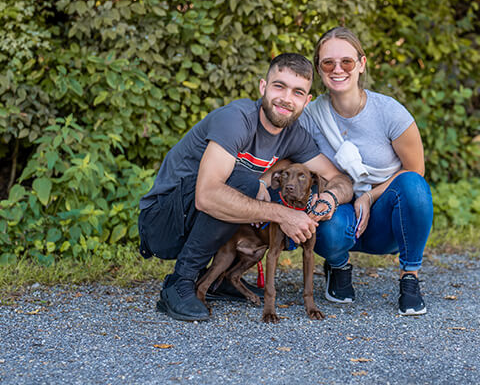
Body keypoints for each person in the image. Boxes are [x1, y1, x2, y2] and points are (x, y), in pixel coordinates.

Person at [138, 53, 353, 322]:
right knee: (246, 184)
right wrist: (283, 214)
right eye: (279, 86)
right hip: (163, 221)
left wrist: (329, 198)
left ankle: (220, 280)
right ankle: (180, 282)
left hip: (198, 219)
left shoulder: (294, 135)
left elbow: (340, 179)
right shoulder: (236, 119)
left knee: (274, 186)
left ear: (306, 101)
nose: (287, 98)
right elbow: (206, 196)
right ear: (263, 87)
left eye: (297, 92)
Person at [299, 27, 434, 315]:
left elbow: (416, 170)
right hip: (338, 211)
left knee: (414, 185)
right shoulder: (311, 116)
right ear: (319, 69)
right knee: (327, 224)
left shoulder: (389, 112)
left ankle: (409, 277)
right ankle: (338, 265)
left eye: (346, 62)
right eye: (328, 63)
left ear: (361, 64)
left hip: (385, 217)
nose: (338, 69)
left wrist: (369, 197)